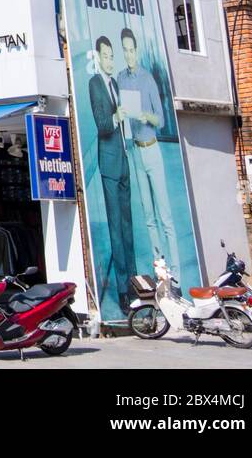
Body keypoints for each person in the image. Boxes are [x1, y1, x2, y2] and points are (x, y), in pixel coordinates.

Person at [117, 28, 179, 275]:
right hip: (135, 150)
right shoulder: (121, 78)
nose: (129, 55)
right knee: (148, 214)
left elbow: (162, 119)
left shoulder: (147, 78)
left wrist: (147, 116)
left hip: (152, 148)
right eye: (125, 50)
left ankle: (175, 269)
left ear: (137, 51)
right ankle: (160, 265)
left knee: (165, 215)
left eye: (132, 50)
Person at [88, 35, 134, 313]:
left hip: (124, 160)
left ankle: (135, 282)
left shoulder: (116, 83)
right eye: (105, 56)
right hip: (108, 163)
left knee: (128, 229)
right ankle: (122, 291)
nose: (109, 61)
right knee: (116, 230)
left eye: (111, 56)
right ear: (97, 57)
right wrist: (116, 117)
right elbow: (102, 124)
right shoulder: (95, 84)